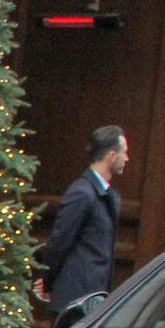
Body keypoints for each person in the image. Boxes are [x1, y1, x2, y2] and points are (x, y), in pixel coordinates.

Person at [36, 126, 129, 313]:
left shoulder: (105, 194)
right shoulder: (82, 193)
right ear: (111, 156)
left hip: (93, 299)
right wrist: (48, 281)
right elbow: (60, 241)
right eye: (124, 153)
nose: (126, 158)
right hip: (75, 301)